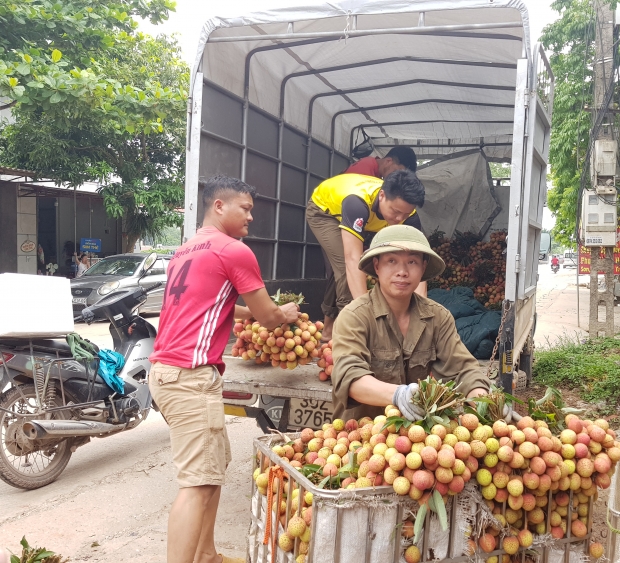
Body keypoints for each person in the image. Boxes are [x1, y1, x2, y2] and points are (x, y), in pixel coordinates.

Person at [148, 175, 300, 563]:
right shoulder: (234, 250)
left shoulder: (185, 250)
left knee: (212, 470)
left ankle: (207, 556)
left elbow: (214, 305)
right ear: (219, 206)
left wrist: (251, 313)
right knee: (196, 484)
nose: (251, 218)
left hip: (169, 373)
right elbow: (269, 318)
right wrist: (286, 314)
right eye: (245, 209)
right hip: (190, 376)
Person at [330, 225, 492, 422]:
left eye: (412, 262)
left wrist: (484, 401)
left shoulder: (438, 317)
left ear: (423, 268)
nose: (402, 271)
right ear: (376, 266)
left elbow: (463, 370)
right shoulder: (354, 317)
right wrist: (398, 395)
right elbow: (350, 377)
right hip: (361, 437)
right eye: (391, 261)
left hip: (416, 438)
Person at [306, 170, 426, 341]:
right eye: (396, 211)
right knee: (344, 268)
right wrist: (370, 316)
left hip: (367, 219)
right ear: (382, 196)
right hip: (324, 212)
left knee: (342, 270)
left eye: (405, 214)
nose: (400, 219)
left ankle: (328, 329)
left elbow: (418, 263)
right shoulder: (357, 203)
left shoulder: (408, 216)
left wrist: (420, 314)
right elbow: (353, 259)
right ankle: (350, 335)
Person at [344, 146, 418, 178]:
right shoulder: (365, 171)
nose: (398, 177)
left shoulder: (375, 170)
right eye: (397, 172)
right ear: (388, 161)